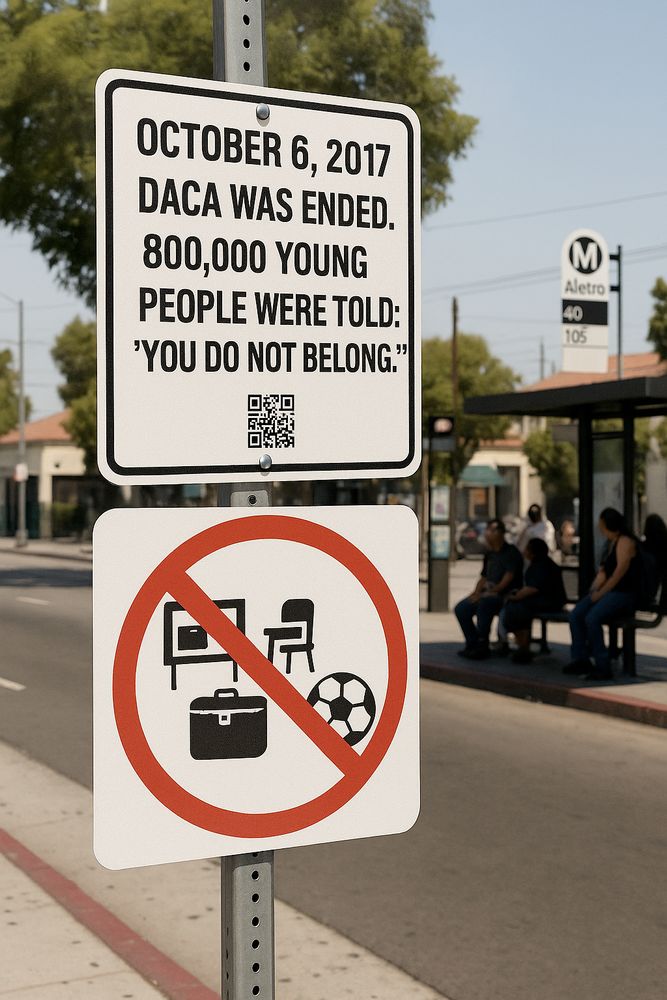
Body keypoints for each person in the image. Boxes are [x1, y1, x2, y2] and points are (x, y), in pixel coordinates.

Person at [565, 507, 638, 681]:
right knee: (576, 615)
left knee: (592, 618)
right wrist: (592, 592)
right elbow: (604, 572)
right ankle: (581, 658)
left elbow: (618, 574)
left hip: (623, 593)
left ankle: (602, 665)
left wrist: (599, 594)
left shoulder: (625, 542)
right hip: (608, 592)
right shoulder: (610, 543)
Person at [454, 519, 523, 660]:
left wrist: (491, 592)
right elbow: (484, 576)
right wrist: (476, 592)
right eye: (487, 530)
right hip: (486, 593)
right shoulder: (490, 554)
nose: (487, 533)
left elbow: (508, 577)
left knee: (485, 605)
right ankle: (472, 643)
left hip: (504, 596)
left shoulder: (511, 553)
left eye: (491, 530)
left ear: (501, 533)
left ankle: (482, 644)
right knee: (462, 608)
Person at [501, 538, 567, 664]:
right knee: (517, 608)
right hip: (543, 601)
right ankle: (522, 645)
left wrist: (515, 596)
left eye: (527, 549)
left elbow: (532, 588)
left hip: (549, 602)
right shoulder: (538, 564)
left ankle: (523, 646)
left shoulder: (541, 566)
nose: (524, 551)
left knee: (517, 608)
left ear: (532, 552)